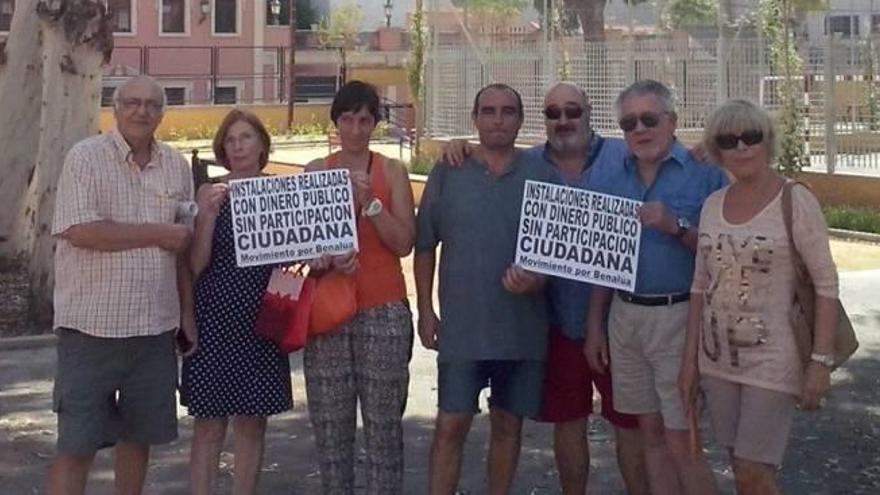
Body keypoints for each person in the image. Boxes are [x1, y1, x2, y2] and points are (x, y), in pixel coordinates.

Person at [442, 82, 648, 495]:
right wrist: (458, 146)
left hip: (619, 320)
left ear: (589, 112)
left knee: (630, 426)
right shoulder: (531, 163)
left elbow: (668, 152)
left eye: (573, 111)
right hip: (553, 319)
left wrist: (704, 152)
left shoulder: (624, 157)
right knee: (569, 426)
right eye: (553, 113)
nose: (564, 120)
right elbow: (488, 160)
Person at [679, 99, 838, 494]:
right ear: (716, 152)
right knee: (741, 467)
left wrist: (820, 361)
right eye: (729, 141)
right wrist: (689, 363)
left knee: (753, 469)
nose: (742, 148)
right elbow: (700, 286)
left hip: (773, 360)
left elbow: (826, 283)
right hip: (717, 362)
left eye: (751, 137)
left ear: (767, 141)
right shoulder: (712, 205)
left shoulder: (794, 200)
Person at [48, 75, 195, 495]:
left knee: (137, 442)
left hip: (153, 331)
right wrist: (157, 233)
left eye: (151, 104)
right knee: (76, 446)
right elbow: (81, 231)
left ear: (162, 114)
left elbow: (181, 250)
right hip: (90, 331)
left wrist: (187, 317)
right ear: (115, 108)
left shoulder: (176, 166)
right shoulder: (86, 158)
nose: (141, 110)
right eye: (132, 101)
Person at [584, 79, 727, 495]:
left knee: (684, 441)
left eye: (650, 119)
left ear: (673, 121)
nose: (640, 130)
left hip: (680, 315)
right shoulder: (612, 175)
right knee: (649, 435)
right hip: (625, 317)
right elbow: (600, 258)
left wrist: (676, 226)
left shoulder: (706, 173)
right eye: (629, 123)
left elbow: (725, 252)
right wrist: (595, 325)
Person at [415, 83, 558, 495]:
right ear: (474, 119)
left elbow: (558, 254)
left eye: (508, 111)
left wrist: (538, 278)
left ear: (520, 119)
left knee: (508, 426)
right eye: (489, 111)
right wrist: (425, 309)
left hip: (522, 329)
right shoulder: (449, 169)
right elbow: (425, 245)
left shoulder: (542, 174)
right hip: (463, 330)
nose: (498, 119)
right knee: (450, 425)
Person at [302, 80, 416, 495]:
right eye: (347, 119)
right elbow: (303, 249)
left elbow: (404, 242)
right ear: (336, 123)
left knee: (384, 427)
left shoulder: (391, 171)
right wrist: (325, 259)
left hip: (383, 308)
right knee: (331, 430)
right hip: (329, 310)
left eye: (364, 119)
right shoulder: (316, 170)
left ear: (375, 123)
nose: (355, 128)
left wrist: (371, 206)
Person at [180, 109, 293, 494]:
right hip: (214, 316)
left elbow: (296, 256)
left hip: (264, 316)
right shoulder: (209, 192)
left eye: (245, 137)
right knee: (210, 423)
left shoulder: (279, 192)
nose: (238, 145)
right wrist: (209, 215)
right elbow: (195, 264)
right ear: (222, 149)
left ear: (261, 144)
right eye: (230, 140)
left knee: (252, 421)